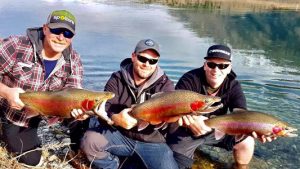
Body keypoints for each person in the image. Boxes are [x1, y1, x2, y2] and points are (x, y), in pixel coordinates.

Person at [0, 10, 88, 166]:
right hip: (7, 108)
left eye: (67, 33)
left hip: (27, 117)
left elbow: (75, 90)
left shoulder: (74, 60)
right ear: (45, 28)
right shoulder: (16, 46)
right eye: (56, 30)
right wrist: (6, 92)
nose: (61, 37)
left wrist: (78, 111)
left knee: (32, 160)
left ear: (72, 37)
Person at [167, 44, 276, 169]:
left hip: (218, 130)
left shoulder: (233, 86)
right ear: (205, 65)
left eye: (223, 66)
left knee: (247, 141)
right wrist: (191, 119)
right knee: (174, 164)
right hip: (186, 132)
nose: (216, 70)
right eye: (211, 64)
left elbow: (242, 116)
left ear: (229, 68)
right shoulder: (189, 79)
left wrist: (260, 130)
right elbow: (173, 108)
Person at [80, 39, 178, 169]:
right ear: (133, 56)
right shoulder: (117, 78)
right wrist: (115, 118)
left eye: (152, 61)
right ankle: (113, 165)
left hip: (152, 142)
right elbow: (106, 106)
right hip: (120, 136)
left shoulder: (166, 85)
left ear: (157, 62)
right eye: (142, 58)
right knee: (89, 141)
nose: (147, 64)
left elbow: (168, 118)